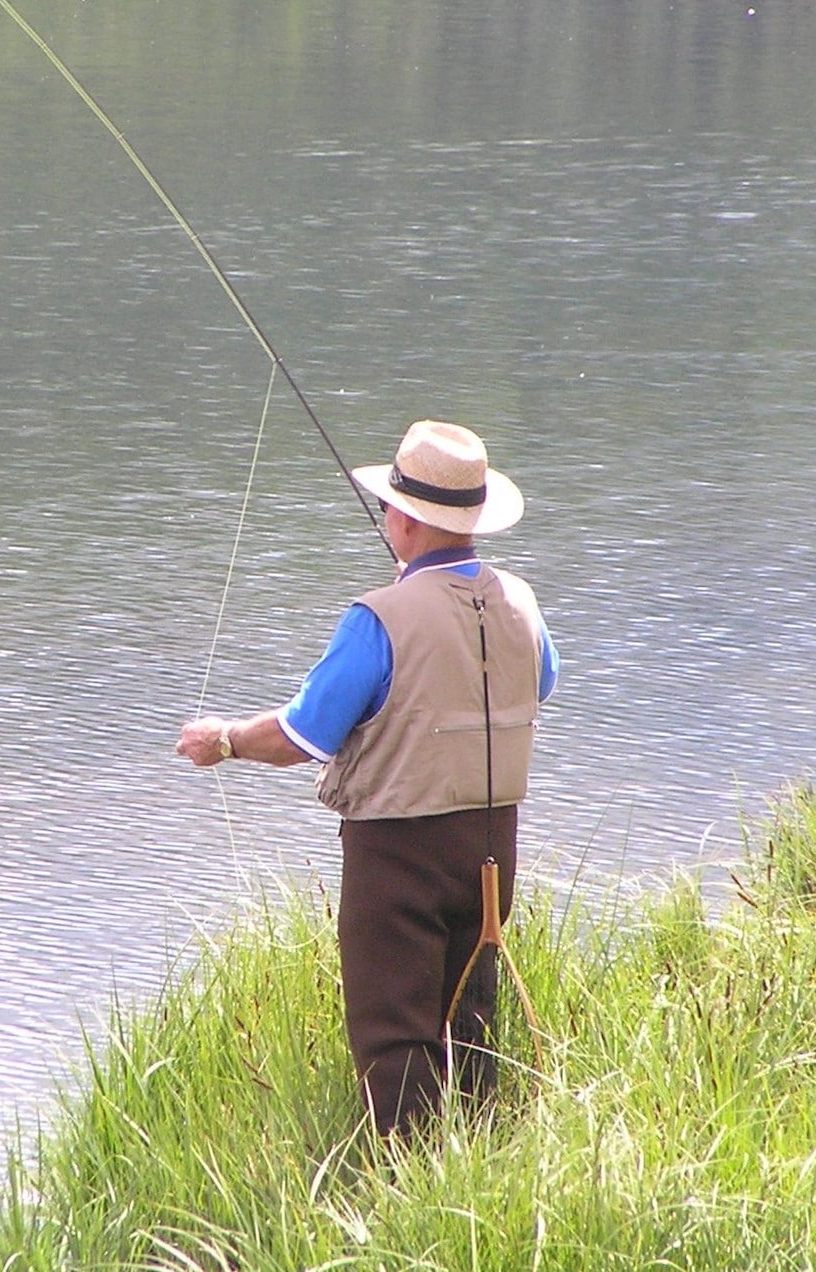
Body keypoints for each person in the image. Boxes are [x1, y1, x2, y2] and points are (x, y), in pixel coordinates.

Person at [175, 419, 556, 1136]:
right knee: (469, 1019)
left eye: (390, 507)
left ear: (406, 521)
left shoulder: (377, 619)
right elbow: (540, 682)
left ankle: (410, 1190)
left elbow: (300, 736)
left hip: (399, 855)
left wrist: (221, 741)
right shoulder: (523, 603)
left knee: (395, 1033)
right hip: (494, 851)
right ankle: (480, 1157)